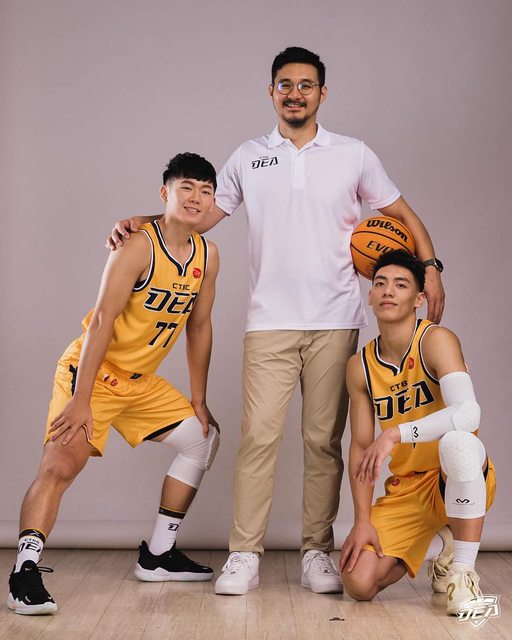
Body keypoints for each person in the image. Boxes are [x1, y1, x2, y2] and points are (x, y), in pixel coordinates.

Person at [107, 47, 445, 596]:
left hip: (336, 319)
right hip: (268, 322)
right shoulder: (248, 156)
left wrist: (430, 269)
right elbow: (199, 217)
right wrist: (140, 220)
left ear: (322, 93)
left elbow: (402, 215)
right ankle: (244, 555)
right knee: (258, 440)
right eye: (285, 85)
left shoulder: (353, 154)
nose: (295, 94)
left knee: (323, 443)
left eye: (306, 85)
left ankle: (316, 552)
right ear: (271, 92)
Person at [8, 153, 221, 616]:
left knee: (202, 438)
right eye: (186, 187)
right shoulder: (138, 246)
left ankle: (158, 555)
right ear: (165, 193)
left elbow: (200, 326)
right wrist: (81, 399)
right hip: (93, 373)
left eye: (206, 191)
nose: (196, 198)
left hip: (140, 384)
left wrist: (199, 399)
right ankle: (24, 572)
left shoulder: (208, 255)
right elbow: (103, 319)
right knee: (61, 464)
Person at [339, 249, 495, 615]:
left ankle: (463, 573)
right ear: (370, 296)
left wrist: (396, 433)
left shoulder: (436, 340)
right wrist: (361, 521)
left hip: (456, 476)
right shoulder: (360, 366)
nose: (388, 291)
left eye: (401, 284)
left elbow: (467, 412)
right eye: (380, 284)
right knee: (358, 583)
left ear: (419, 299)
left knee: (457, 444)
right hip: (407, 489)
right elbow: (360, 446)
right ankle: (440, 544)